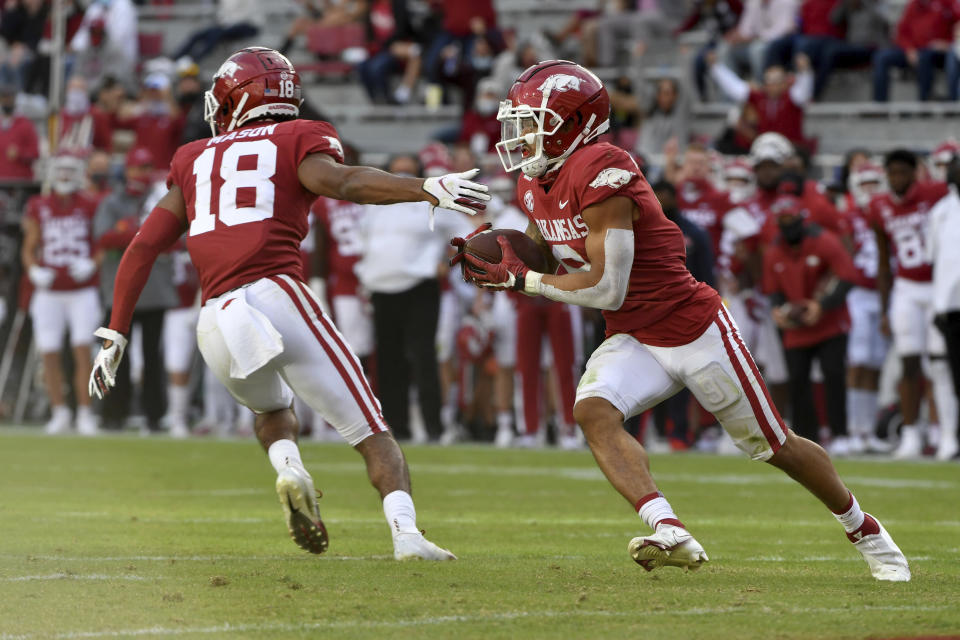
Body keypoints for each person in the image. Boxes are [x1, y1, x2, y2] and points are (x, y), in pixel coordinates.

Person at [455, 59, 908, 580]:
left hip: (690, 327)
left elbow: (606, 285)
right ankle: (669, 528)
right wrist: (495, 254)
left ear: (575, 125)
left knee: (773, 445)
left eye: (535, 122)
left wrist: (521, 281)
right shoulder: (534, 185)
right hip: (632, 333)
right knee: (593, 412)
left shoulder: (606, 170)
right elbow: (543, 252)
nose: (520, 135)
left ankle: (862, 527)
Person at [88, 47, 488, 559]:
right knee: (371, 430)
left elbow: (143, 246)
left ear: (237, 98)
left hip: (213, 319)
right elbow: (342, 182)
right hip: (276, 295)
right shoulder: (299, 135)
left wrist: (116, 331)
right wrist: (426, 187)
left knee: (271, 408)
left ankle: (289, 469)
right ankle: (406, 535)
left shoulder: (192, 157)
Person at [354, 153, 475, 443]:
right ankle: (398, 427)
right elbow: (364, 244)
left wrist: (448, 263)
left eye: (409, 172)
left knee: (423, 358)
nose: (403, 177)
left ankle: (433, 428)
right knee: (388, 361)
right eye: (398, 172)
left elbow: (468, 235)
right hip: (381, 288)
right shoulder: (375, 205)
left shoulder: (431, 201)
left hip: (420, 286)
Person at [870, 149, 953, 460]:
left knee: (940, 362)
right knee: (908, 362)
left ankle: (945, 433)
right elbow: (883, 260)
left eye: (903, 172)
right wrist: (884, 308)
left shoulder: (936, 193)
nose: (898, 179)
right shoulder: (879, 206)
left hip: (936, 285)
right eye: (892, 173)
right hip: (905, 287)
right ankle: (910, 434)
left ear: (916, 172)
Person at [762, 193, 859, 451]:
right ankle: (808, 438)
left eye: (790, 217)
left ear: (801, 218)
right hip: (798, 327)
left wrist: (822, 305)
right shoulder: (774, 251)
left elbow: (847, 276)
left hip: (829, 321)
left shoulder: (824, 241)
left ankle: (840, 434)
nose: (787, 223)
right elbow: (773, 289)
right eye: (781, 219)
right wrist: (778, 311)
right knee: (797, 380)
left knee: (833, 374)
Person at [93, 147, 178, 433]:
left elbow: (176, 239)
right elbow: (103, 237)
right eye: (137, 168)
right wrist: (141, 231)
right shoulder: (113, 201)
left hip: (154, 289)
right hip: (119, 289)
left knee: (153, 357)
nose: (141, 174)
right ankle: (112, 414)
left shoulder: (161, 198)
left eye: (146, 167)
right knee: (115, 354)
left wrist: (130, 231)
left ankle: (154, 415)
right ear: (127, 170)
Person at [21, 154, 101, 436]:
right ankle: (60, 412)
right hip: (49, 292)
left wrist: (93, 262)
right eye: (61, 171)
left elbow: (102, 242)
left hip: (82, 290)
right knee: (50, 353)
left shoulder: (90, 202)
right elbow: (29, 247)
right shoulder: (38, 205)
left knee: (83, 351)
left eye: (70, 171)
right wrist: (33, 271)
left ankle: (85, 414)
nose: (65, 176)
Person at [844, 164, 893, 453]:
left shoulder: (886, 212)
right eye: (865, 184)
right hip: (859, 292)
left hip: (884, 293)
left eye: (875, 183)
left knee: (875, 362)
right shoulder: (849, 217)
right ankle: (853, 429)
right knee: (857, 360)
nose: (870, 190)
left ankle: (868, 430)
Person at [927, 154, 960, 460]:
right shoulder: (941, 211)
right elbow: (934, 259)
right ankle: (949, 436)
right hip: (949, 307)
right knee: (943, 369)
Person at [871, 0, 960, 102]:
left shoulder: (947, 3)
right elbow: (901, 33)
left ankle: (924, 102)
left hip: (939, 52)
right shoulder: (913, 5)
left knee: (925, 57)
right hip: (913, 50)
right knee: (881, 57)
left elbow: (958, 24)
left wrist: (950, 44)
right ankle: (880, 104)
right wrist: (909, 49)